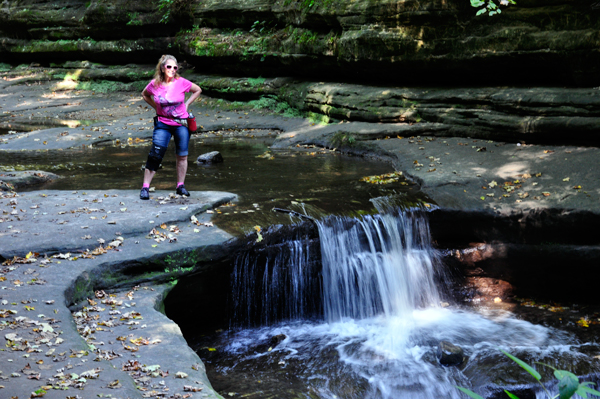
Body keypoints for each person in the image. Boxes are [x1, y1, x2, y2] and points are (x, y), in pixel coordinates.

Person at [139, 54, 202, 200]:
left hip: (181, 123)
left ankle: (180, 186)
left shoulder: (181, 82)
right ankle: (145, 187)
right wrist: (156, 107)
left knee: (182, 154)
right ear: (162, 68)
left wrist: (186, 104)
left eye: (175, 67)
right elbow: (145, 94)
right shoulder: (154, 84)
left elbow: (198, 90)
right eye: (169, 67)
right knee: (156, 153)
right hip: (163, 123)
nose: (172, 70)